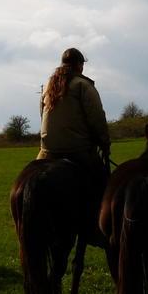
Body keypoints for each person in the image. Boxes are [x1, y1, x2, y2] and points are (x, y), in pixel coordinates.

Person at [37, 47, 111, 235]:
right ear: (79, 65)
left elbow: (42, 114)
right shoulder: (83, 85)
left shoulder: (48, 85)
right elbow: (96, 118)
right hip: (77, 150)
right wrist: (104, 143)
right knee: (104, 184)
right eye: (82, 64)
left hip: (47, 151)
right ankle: (100, 230)